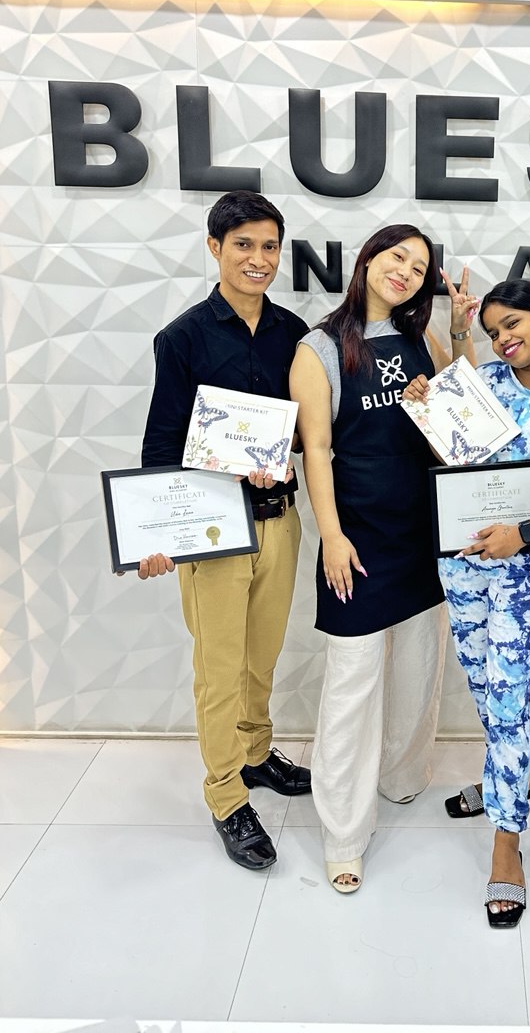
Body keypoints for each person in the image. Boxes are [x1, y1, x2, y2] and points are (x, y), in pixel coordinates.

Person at [405, 280, 530, 928]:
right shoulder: (489, 379)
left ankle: (506, 841)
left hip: (523, 572)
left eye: (513, 323)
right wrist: (429, 409)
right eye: (493, 331)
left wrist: (522, 533)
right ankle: (506, 780)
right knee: (482, 686)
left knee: (508, 696)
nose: (503, 339)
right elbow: (452, 455)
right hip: (460, 560)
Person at [289, 224, 477, 894]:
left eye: (419, 267)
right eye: (398, 256)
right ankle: (343, 833)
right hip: (359, 535)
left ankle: (401, 776)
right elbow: (316, 451)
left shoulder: (417, 337)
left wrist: (460, 333)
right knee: (353, 684)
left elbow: (464, 411)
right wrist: (332, 536)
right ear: (368, 258)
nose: (406, 271)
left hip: (421, 529)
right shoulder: (317, 348)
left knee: (420, 669)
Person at [138, 191, 312, 871]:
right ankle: (225, 794)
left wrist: (286, 452)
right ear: (215, 248)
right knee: (219, 669)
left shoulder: (295, 332)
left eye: (269, 246)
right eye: (243, 245)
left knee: (261, 656)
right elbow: (162, 441)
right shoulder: (181, 338)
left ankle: (255, 754)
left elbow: (305, 427)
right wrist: (155, 535)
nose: (258, 259)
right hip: (212, 531)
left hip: (278, 521)